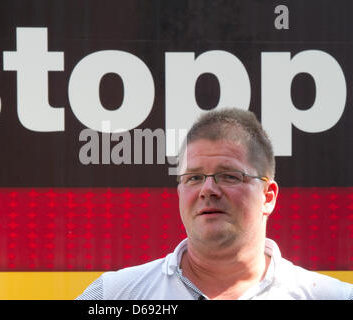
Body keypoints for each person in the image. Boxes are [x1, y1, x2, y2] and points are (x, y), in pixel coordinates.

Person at [76, 108, 353, 300]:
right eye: (194, 177)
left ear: (268, 197)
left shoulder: (333, 296)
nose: (208, 189)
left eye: (228, 176)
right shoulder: (115, 295)